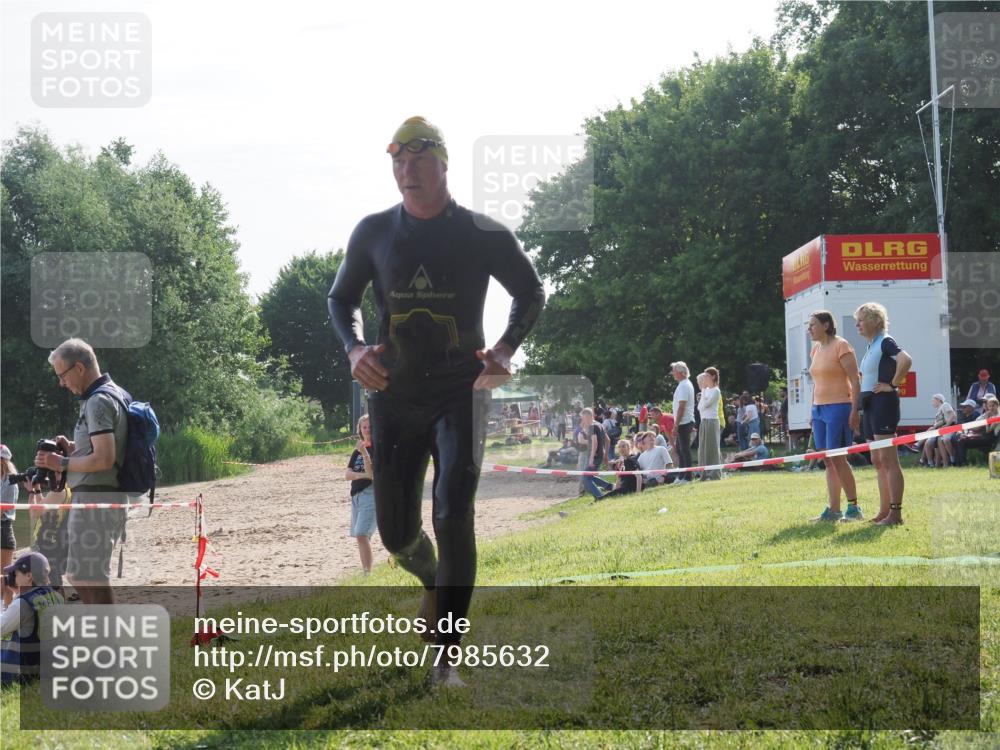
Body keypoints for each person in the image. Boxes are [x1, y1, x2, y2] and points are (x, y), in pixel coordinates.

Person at [327, 116, 545, 686]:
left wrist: (503, 347)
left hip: (460, 392)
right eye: (397, 162)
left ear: (443, 164)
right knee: (398, 534)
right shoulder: (373, 232)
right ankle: (432, 582)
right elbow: (341, 298)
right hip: (394, 397)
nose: (407, 172)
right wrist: (353, 350)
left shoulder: (481, 232)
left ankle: (447, 655)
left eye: (418, 161)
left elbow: (530, 289)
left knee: (452, 511)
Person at [32, 339, 129, 605]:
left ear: (79, 368)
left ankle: (109, 642)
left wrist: (59, 463)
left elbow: (105, 458)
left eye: (62, 376)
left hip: (97, 497)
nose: (62, 383)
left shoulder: (98, 401)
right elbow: (103, 450)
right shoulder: (112, 393)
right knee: (81, 574)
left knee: (89, 575)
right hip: (97, 495)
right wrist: (74, 448)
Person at [855, 302, 912, 526]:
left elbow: (905, 360)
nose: (857, 324)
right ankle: (883, 511)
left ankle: (895, 514)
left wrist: (893, 384)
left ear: (875, 321)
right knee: (877, 459)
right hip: (870, 404)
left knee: (889, 459)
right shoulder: (871, 345)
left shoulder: (886, 341)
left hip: (883, 403)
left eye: (861, 319)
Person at [805, 310, 863, 522]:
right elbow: (816, 383)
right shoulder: (816, 350)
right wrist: (812, 410)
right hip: (819, 409)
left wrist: (855, 410)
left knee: (838, 459)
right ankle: (834, 509)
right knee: (827, 461)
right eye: (809, 325)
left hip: (839, 407)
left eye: (812, 324)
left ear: (826, 325)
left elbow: (855, 380)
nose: (809, 329)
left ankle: (854, 507)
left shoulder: (842, 346)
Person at [1, 551, 64, 686]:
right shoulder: (57, 597)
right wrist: (17, 594)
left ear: (29, 576)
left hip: (22, 672)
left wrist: (1, 598)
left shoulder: (22, 604)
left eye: (16, 574)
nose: (14, 578)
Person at [345, 415, 376, 575]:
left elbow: (371, 474)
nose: (367, 430)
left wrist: (365, 453)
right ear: (360, 430)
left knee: (362, 534)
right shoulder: (357, 451)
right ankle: (366, 570)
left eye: (370, 427)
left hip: (370, 495)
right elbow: (347, 474)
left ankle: (367, 572)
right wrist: (361, 475)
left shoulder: (376, 448)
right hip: (356, 495)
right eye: (364, 427)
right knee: (360, 536)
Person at [953, 395, 1000, 466]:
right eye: (989, 405)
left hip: (990, 438)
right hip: (983, 436)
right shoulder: (987, 414)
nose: (990, 407)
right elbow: (976, 425)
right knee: (958, 439)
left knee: (961, 440)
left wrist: (987, 420)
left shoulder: (996, 416)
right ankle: (958, 463)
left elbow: (986, 430)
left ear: (997, 405)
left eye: (992, 405)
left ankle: (962, 464)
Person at [579, 408, 614, 501]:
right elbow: (608, 440)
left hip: (595, 456)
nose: (583, 421)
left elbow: (595, 443)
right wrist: (605, 455)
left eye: (583, 418)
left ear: (588, 416)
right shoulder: (600, 425)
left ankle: (599, 497)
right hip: (599, 455)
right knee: (589, 476)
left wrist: (591, 459)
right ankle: (609, 486)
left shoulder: (592, 427)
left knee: (586, 478)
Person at [670, 362, 696, 482]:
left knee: (684, 450)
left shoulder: (684, 385)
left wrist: (676, 425)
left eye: (674, 371)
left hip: (684, 422)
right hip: (682, 422)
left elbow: (682, 406)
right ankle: (681, 475)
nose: (673, 373)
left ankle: (688, 476)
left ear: (681, 372)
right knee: (681, 450)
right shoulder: (683, 384)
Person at [939, 399, 982, 467]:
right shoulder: (963, 415)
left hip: (972, 435)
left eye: (965, 407)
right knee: (944, 439)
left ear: (971, 407)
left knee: (957, 439)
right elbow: (959, 426)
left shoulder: (976, 415)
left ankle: (961, 463)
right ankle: (950, 461)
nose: (962, 408)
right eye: (962, 407)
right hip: (962, 434)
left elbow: (974, 428)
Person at [697, 367, 723, 480]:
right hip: (704, 421)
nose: (705, 378)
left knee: (712, 448)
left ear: (713, 376)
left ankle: (714, 474)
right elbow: (699, 407)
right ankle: (704, 474)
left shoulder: (716, 391)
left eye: (707, 376)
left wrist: (703, 393)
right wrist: (703, 390)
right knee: (703, 449)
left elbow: (706, 405)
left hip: (712, 421)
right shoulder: (706, 390)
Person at [1, 444, 18, 609]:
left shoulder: (10, 481)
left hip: (3, 530)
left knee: (4, 578)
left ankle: (6, 613)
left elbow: (1, 510)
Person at [920, 394, 956, 467]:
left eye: (933, 400)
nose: (932, 402)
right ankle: (934, 464)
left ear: (939, 400)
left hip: (949, 427)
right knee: (933, 442)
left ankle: (951, 459)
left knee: (944, 440)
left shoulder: (945, 405)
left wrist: (946, 425)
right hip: (942, 429)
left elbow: (953, 415)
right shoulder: (939, 411)